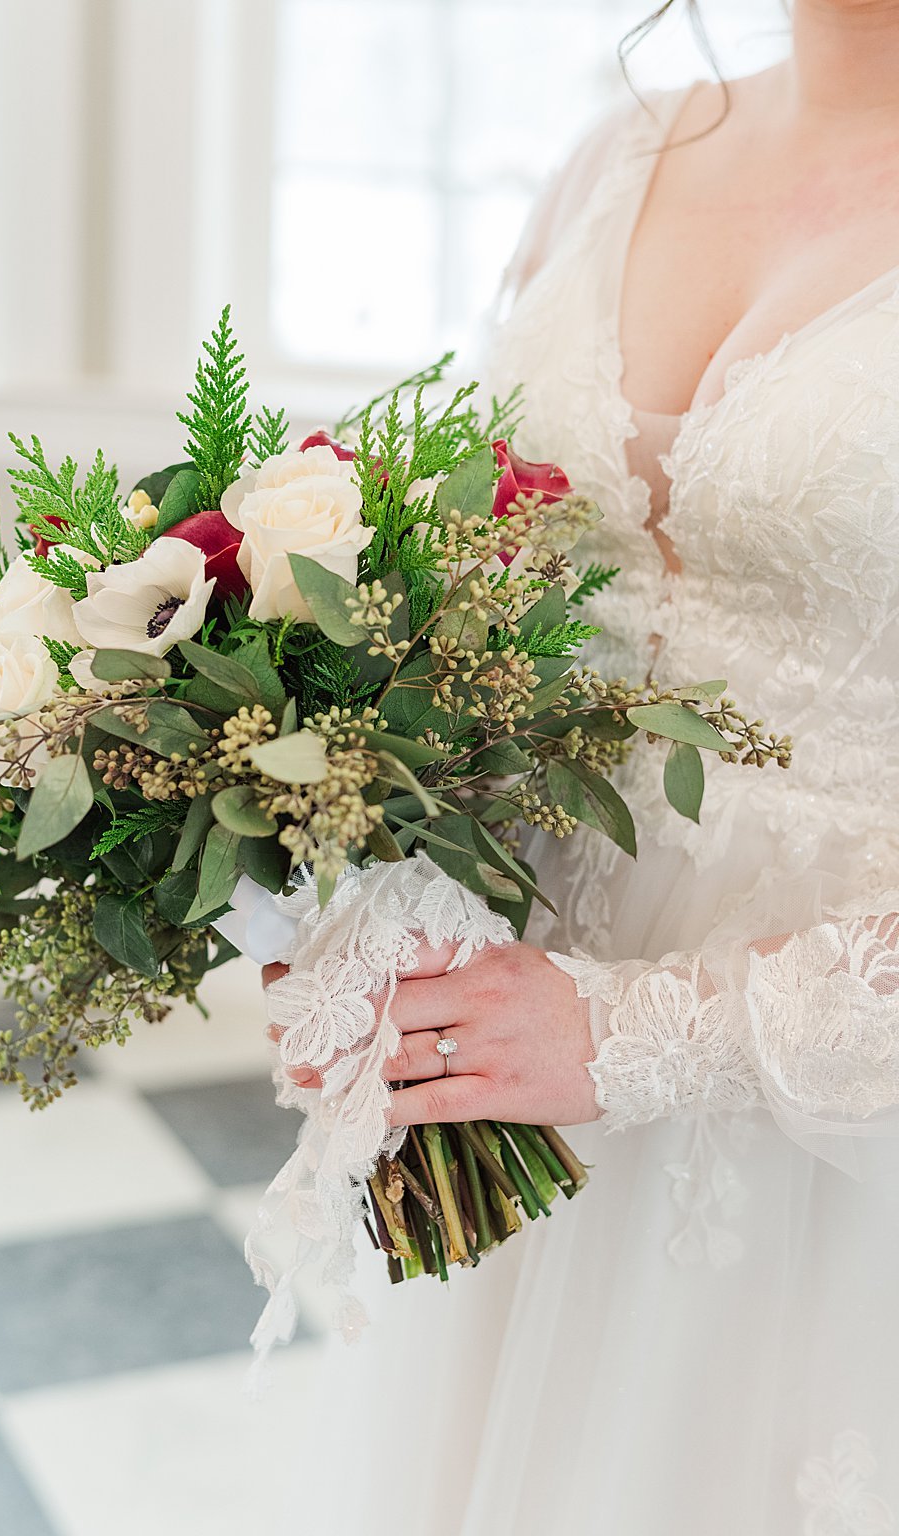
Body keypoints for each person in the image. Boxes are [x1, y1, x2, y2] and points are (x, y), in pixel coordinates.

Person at [283, 5, 899, 1530]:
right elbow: (500, 618)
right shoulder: (624, 150)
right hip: (529, 1121)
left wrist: (643, 1039)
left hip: (834, 1160)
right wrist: (377, 918)